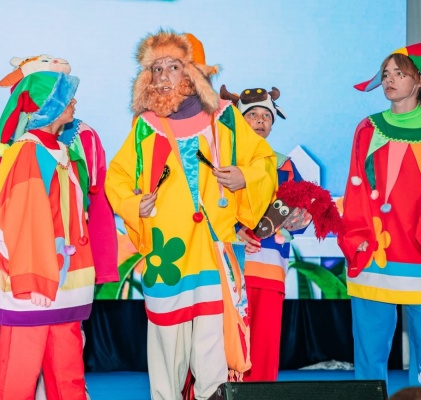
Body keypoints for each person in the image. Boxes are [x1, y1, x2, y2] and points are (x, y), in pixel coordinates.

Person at [105, 30, 277, 399]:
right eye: (156, 69)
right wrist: (134, 203)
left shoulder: (225, 119)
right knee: (167, 342)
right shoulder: (146, 126)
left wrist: (244, 176)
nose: (163, 77)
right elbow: (117, 176)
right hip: (166, 251)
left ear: (194, 72)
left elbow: (264, 160)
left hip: (212, 249)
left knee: (212, 344)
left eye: (173, 67)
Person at [0, 54, 118, 400]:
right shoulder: (28, 152)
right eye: (66, 97)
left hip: (63, 282)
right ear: (48, 105)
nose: (74, 103)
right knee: (20, 369)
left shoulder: (60, 150)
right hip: (33, 285)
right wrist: (34, 278)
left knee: (67, 371)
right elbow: (24, 221)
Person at [338, 42, 421, 386]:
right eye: (386, 74)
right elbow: (356, 188)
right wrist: (357, 235)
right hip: (374, 249)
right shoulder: (367, 128)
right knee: (369, 345)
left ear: (420, 80)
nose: (390, 80)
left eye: (400, 73)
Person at [220, 85, 312, 382]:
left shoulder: (284, 165)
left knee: (263, 345)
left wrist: (300, 219)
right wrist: (234, 229)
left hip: (269, 266)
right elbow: (206, 208)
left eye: (266, 116)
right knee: (221, 344)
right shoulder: (220, 160)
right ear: (238, 119)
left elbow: (302, 214)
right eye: (252, 115)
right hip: (226, 268)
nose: (260, 121)